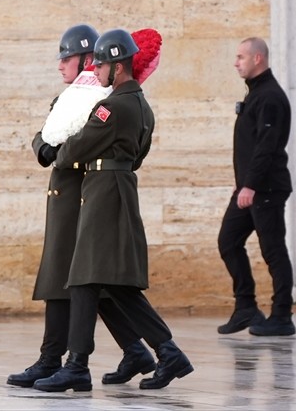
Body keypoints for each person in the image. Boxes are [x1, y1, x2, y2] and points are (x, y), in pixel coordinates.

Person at [35, 29, 193, 392]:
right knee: (107, 284)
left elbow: (74, 150)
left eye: (102, 63)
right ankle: (165, 353)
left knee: (86, 279)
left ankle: (78, 365)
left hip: (104, 193)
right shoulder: (142, 106)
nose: (97, 70)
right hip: (116, 187)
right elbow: (138, 157)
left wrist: (58, 150)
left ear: (118, 67)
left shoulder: (112, 106)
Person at [6, 24, 157, 389]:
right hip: (69, 196)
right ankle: (133, 349)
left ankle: (55, 359)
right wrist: (42, 146)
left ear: (90, 60)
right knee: (84, 284)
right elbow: (48, 131)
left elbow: (86, 144)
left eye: (68, 57)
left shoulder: (101, 101)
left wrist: (59, 153)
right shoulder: (71, 98)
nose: (61, 64)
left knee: (74, 280)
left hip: (82, 196)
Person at [217, 37, 296, 336]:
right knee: (228, 241)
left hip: (266, 189)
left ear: (258, 59)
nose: (236, 62)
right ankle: (246, 307)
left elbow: (267, 146)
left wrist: (249, 186)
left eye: (241, 57)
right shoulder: (256, 94)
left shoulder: (270, 97)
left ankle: (282, 316)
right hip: (248, 188)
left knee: (273, 250)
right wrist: (243, 186)